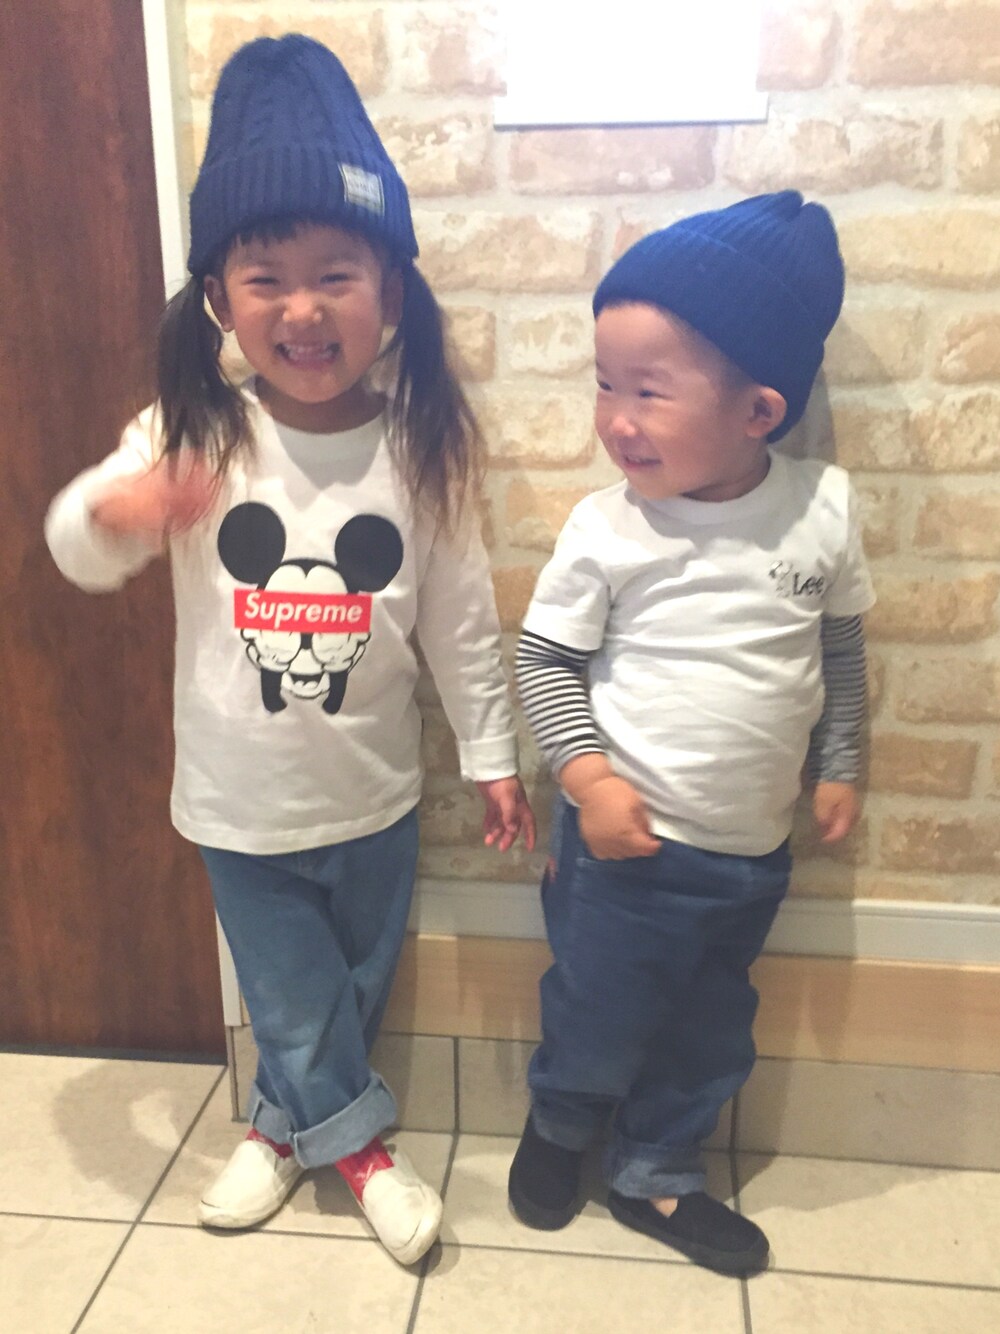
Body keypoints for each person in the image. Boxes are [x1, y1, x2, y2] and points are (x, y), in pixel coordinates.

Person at [45, 33, 534, 1266]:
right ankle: (361, 1149)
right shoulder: (193, 429)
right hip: (239, 796)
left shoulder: (419, 444)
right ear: (220, 298)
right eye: (266, 277)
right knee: (292, 985)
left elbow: (458, 618)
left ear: (390, 292)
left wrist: (491, 754)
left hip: (373, 790)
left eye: (336, 274)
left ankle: (277, 1124)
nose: (303, 308)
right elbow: (72, 538)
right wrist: (117, 512)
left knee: (347, 982)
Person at [508, 191, 874, 1277]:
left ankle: (655, 1170)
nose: (615, 417)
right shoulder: (608, 526)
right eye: (604, 383)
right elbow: (544, 661)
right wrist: (587, 780)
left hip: (750, 853)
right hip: (622, 851)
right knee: (596, 1008)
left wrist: (840, 763)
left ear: (758, 411)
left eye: (649, 391)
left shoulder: (820, 509)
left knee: (710, 1029)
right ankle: (560, 1122)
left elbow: (839, 649)